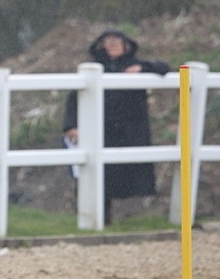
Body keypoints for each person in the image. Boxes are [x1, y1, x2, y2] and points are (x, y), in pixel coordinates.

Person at [62, 30, 169, 222]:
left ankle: (131, 219)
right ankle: (98, 218)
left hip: (129, 131)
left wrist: (143, 69)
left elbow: (164, 68)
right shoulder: (93, 68)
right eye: (107, 41)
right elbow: (73, 98)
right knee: (97, 175)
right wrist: (70, 126)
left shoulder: (135, 65)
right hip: (100, 128)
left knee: (126, 176)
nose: (112, 44)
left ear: (125, 44)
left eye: (116, 40)